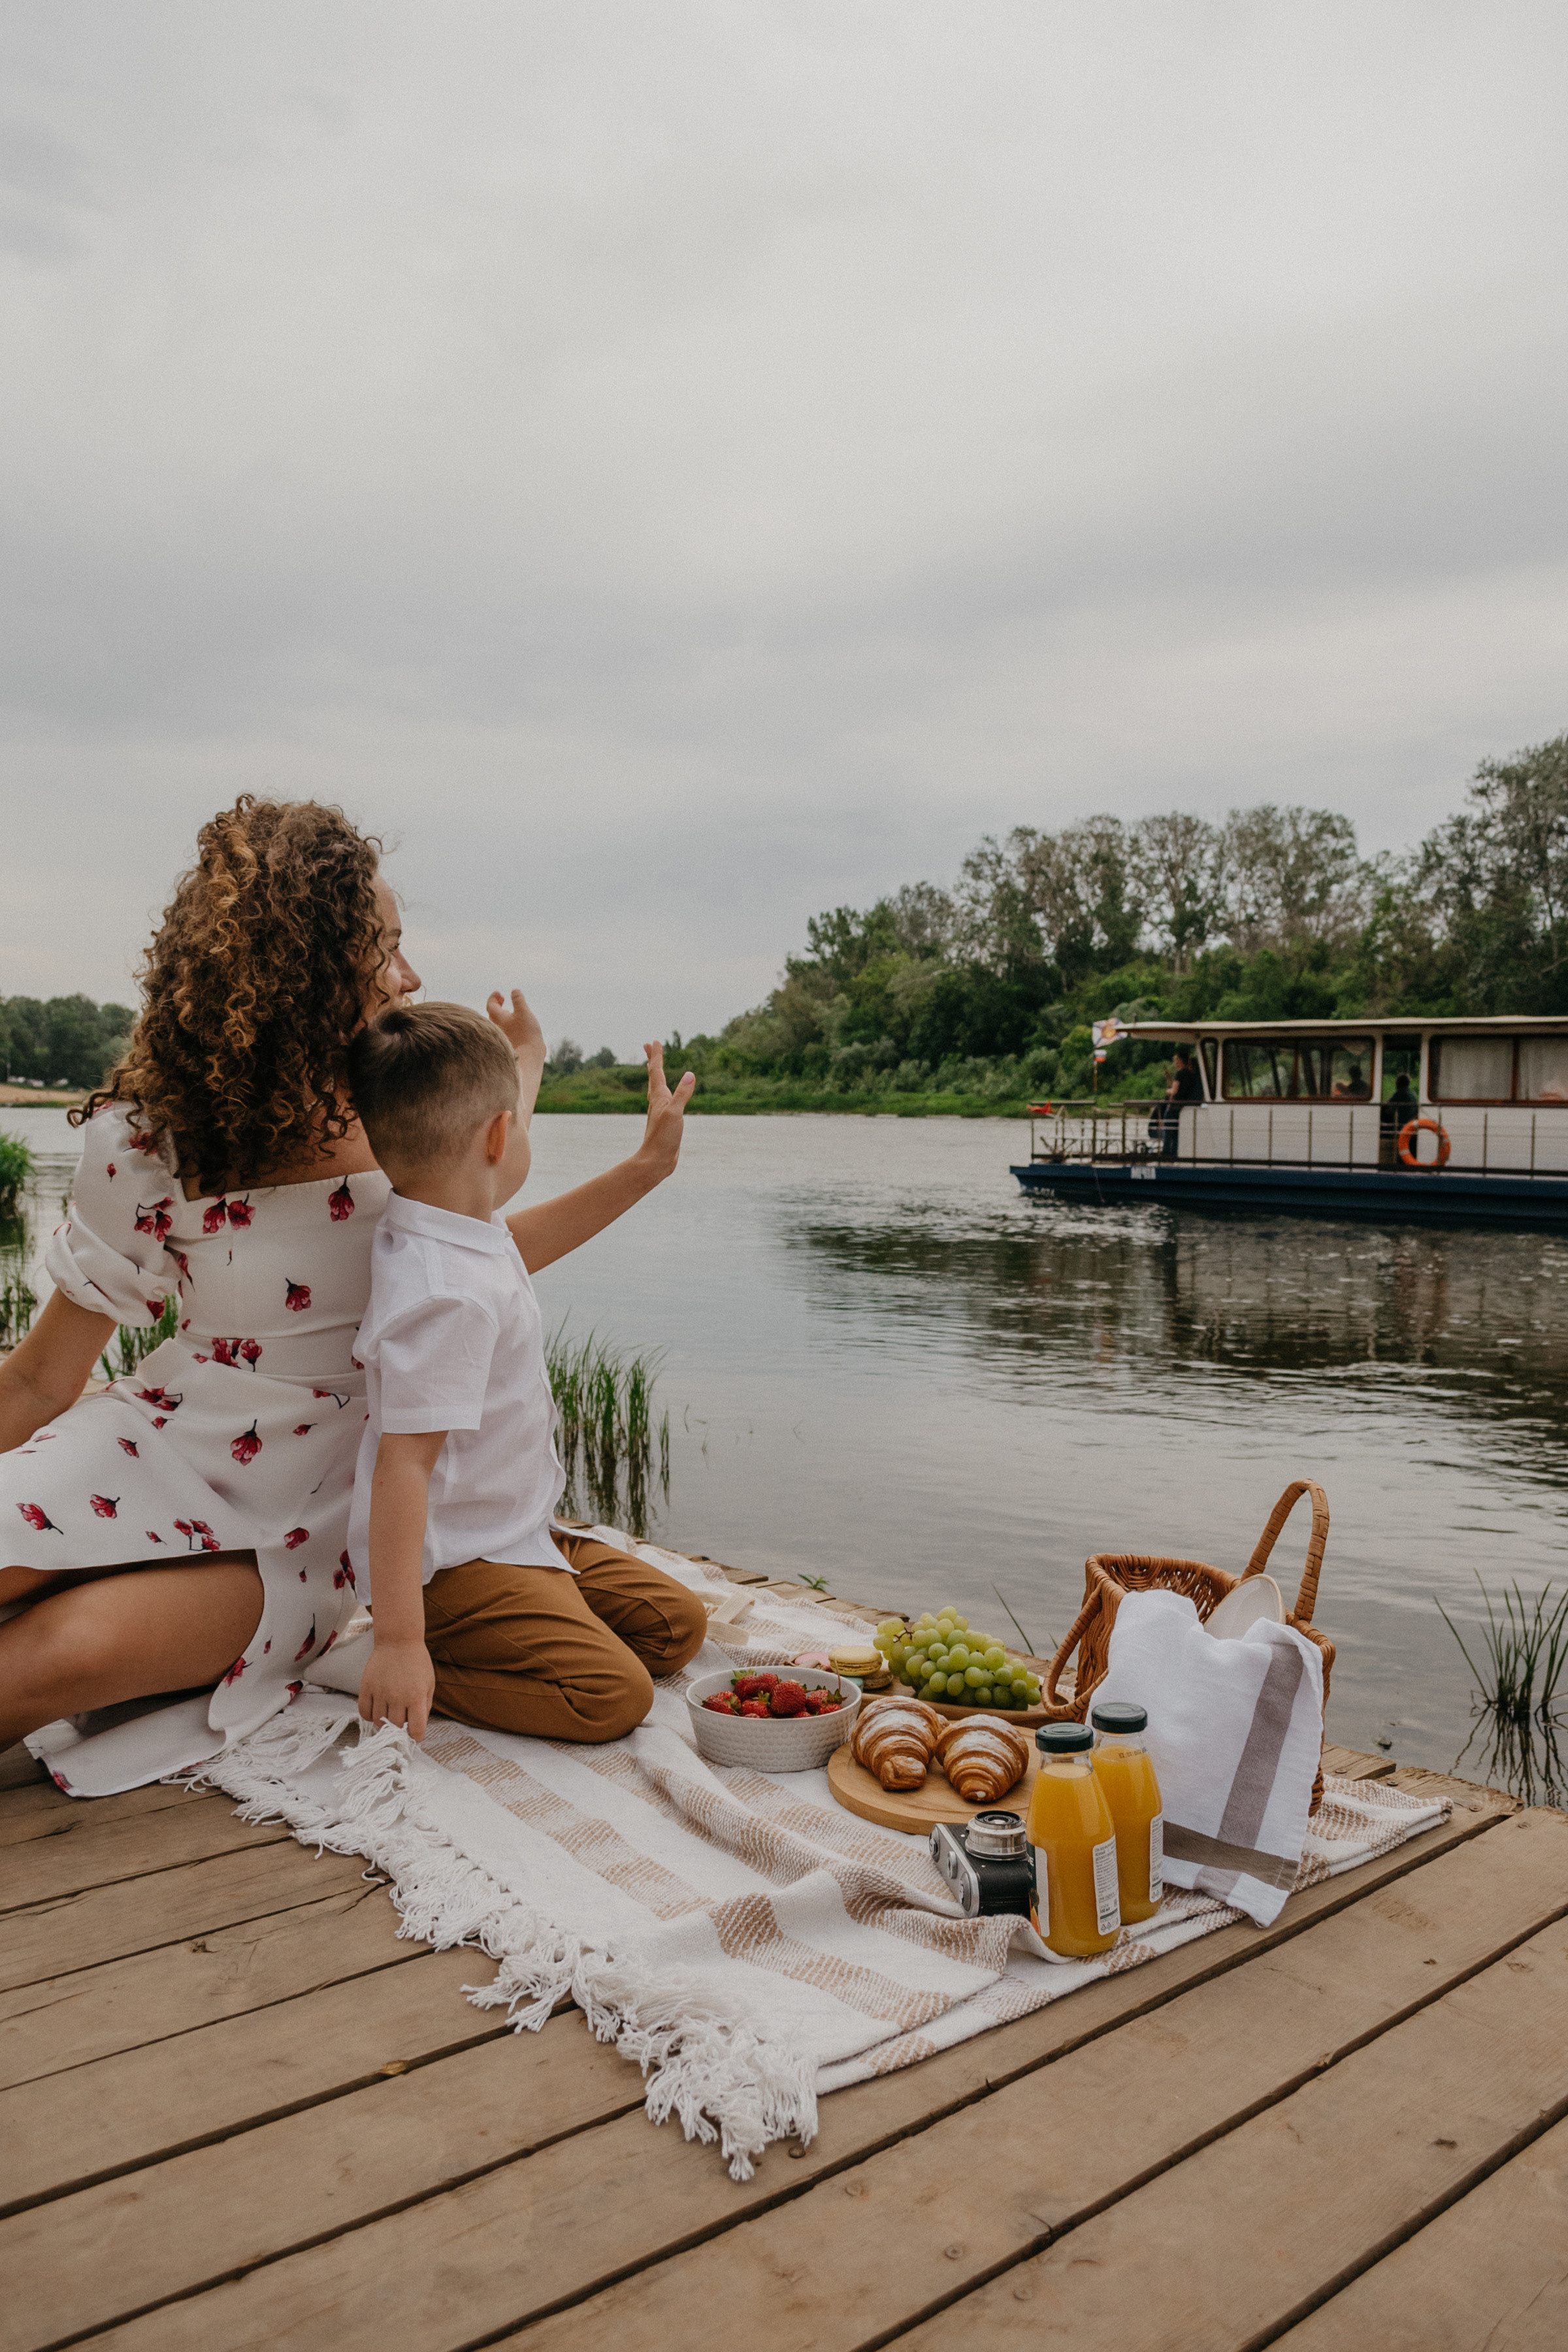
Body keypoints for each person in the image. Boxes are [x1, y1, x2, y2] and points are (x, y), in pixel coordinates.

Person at [0, 795, 698, 1789]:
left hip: (307, 1525)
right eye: (383, 948)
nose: (409, 974)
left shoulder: (406, 1113)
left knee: (50, 1661)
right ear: (297, 968)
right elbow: (35, 1387)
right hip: (152, 1446)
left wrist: (638, 1171)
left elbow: (479, 1265)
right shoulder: (150, 1138)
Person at [344, 1000, 704, 1743]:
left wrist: (642, 1163)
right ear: (498, 1138)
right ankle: (370, 1669)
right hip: (448, 1571)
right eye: (520, 1116)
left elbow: (495, 1131)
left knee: (676, 1629)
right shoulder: (445, 1293)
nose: (524, 1125)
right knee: (611, 1698)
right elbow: (402, 1468)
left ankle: (510, 1624)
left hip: (517, 1533)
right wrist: (398, 1644)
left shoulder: (456, 1217)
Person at [1159, 1046, 1204, 1158]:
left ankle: (1165, 1154)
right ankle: (1174, 1154)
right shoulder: (1191, 1075)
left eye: (1176, 1061)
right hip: (1182, 1107)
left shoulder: (1180, 1074)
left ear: (1179, 1061)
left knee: (1168, 1132)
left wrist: (1168, 1091)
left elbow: (1174, 1090)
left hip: (1173, 1107)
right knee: (1176, 1134)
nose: (1175, 1063)